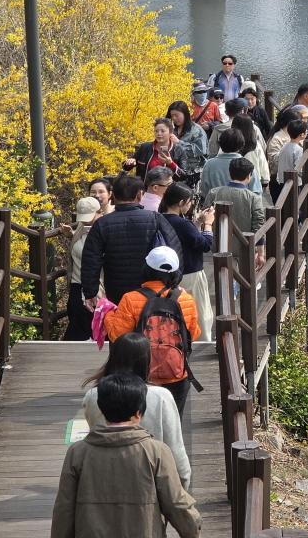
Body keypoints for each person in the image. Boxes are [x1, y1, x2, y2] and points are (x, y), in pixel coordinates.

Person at [51, 373, 199, 538]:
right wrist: (192, 528)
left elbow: (64, 507)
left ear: (102, 408)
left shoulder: (78, 452)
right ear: (138, 412)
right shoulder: (156, 451)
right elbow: (176, 503)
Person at [81, 333, 190, 488]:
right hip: (150, 480)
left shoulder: (93, 396)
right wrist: (182, 484)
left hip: (103, 479)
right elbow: (175, 447)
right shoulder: (161, 397)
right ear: (146, 360)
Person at [105, 246, 202, 414]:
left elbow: (118, 336)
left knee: (141, 422)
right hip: (177, 374)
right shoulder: (186, 299)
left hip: (140, 375)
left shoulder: (131, 299)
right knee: (172, 425)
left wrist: (108, 316)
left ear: (147, 269)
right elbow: (193, 334)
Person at [81, 174, 183, 308]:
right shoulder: (155, 218)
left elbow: (91, 260)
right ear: (140, 195)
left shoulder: (102, 224)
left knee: (122, 325)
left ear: (113, 196)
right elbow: (175, 250)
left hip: (116, 290)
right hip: (152, 289)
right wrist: (174, 282)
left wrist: (90, 292)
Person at [160, 183, 216, 342]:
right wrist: (208, 224)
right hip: (191, 274)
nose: (191, 205)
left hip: (167, 275)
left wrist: (196, 224)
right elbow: (205, 244)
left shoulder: (159, 218)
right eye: (190, 202)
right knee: (200, 313)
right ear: (181, 203)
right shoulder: (182, 223)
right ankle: (202, 342)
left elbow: (188, 238)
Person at [63, 196, 101, 341]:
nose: (86, 221)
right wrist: (72, 235)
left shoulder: (102, 229)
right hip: (77, 284)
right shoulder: (81, 227)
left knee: (86, 328)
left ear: (99, 212)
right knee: (78, 321)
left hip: (95, 287)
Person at [203, 158, 266, 239]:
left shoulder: (213, 193)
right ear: (249, 176)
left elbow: (205, 217)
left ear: (230, 173)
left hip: (217, 244)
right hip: (244, 246)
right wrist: (259, 247)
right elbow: (258, 224)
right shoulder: (254, 198)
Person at [165, 101, 208, 182]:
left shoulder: (196, 130)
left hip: (192, 173)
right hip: (174, 171)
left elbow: (201, 150)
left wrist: (178, 143)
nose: (174, 118)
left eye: (176, 115)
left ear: (185, 114)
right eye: (172, 116)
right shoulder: (171, 129)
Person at [271, 120, 308, 202]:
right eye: (306, 132)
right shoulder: (298, 150)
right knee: (294, 207)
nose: (307, 133)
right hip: (294, 183)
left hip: (281, 180)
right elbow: (299, 169)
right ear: (301, 135)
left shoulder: (285, 146)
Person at [199, 128, 245, 194]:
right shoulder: (246, 164)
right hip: (241, 203)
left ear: (220, 143)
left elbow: (204, 189)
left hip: (215, 202)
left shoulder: (209, 164)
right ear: (241, 145)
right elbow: (255, 191)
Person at [232, 114, 268, 197]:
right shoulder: (255, 145)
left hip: (233, 183)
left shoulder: (230, 143)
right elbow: (263, 165)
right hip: (254, 183)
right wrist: (265, 181)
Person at [267, 106, 307, 180]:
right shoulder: (277, 138)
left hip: (295, 177)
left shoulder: (298, 134)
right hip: (280, 178)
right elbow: (274, 162)